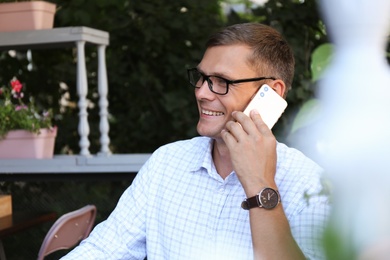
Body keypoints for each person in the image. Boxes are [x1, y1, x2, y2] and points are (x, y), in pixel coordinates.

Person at [62, 23, 330, 260]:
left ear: (271, 93)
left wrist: (260, 186)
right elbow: (105, 249)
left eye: (222, 81)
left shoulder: (310, 185)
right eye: (201, 77)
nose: (201, 92)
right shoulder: (166, 163)